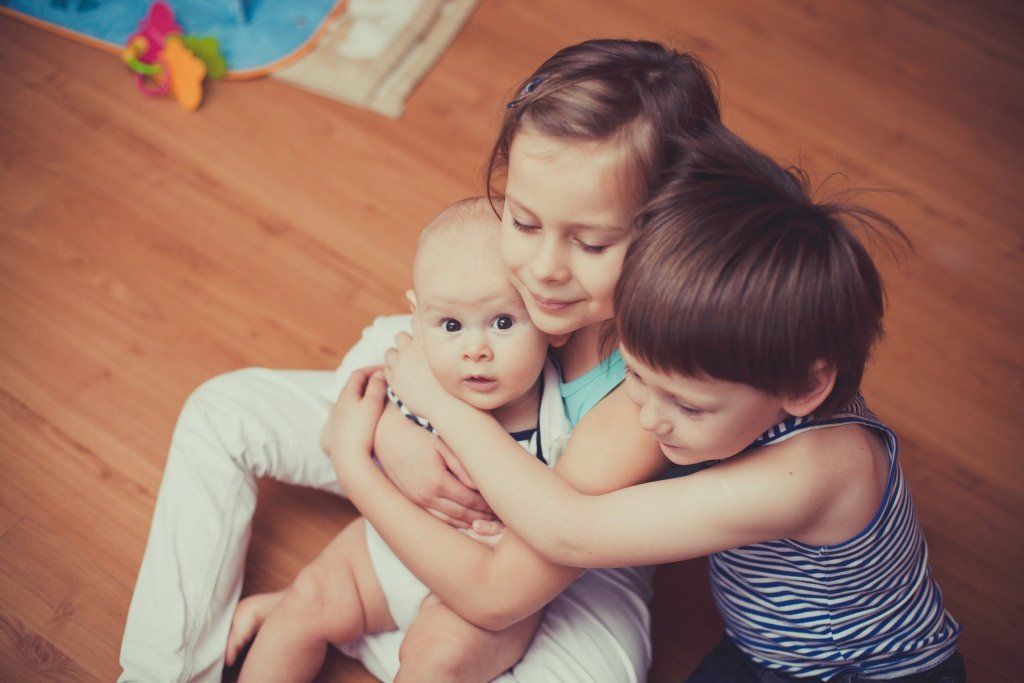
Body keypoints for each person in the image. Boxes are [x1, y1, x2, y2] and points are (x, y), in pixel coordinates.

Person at [118, 38, 723, 682]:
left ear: (666, 232)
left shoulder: (645, 393)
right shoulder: (541, 246)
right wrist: (389, 431)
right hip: (432, 440)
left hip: (543, 571)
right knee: (224, 410)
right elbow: (416, 335)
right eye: (520, 221)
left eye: (591, 242)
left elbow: (500, 593)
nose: (544, 271)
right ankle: (167, 670)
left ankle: (347, 619)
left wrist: (367, 462)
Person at [367, 130, 964, 680]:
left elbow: (570, 532)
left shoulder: (815, 471)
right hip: (756, 646)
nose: (647, 418)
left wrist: (441, 410)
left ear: (806, 390)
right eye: (634, 376)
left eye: (688, 407)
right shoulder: (744, 374)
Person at [225, 197, 575, 680]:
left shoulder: (560, 423)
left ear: (549, 319)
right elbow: (345, 400)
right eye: (451, 325)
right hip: (386, 549)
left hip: (477, 591)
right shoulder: (409, 362)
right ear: (418, 318)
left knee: (433, 663)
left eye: (502, 323)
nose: (475, 350)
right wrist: (385, 424)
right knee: (307, 601)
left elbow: (560, 521)